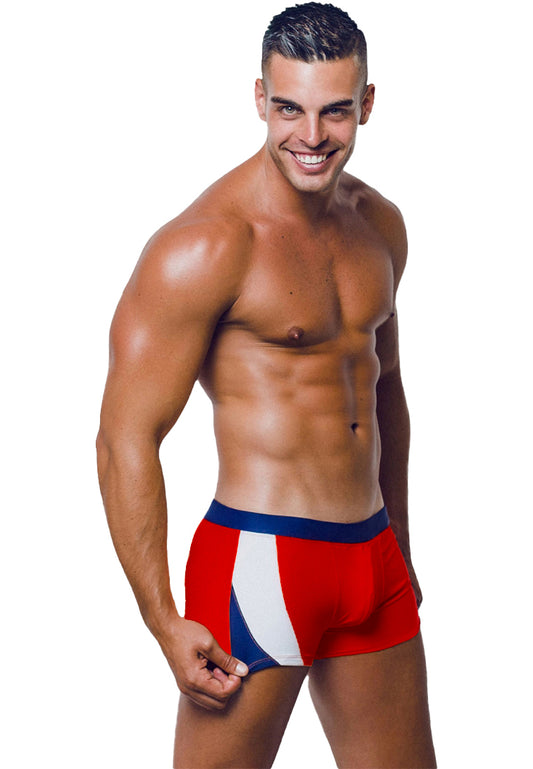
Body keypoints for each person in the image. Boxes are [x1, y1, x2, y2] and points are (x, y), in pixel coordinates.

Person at [97, 3, 436, 767]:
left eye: (333, 111)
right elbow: (124, 437)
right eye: (288, 109)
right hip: (262, 561)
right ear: (259, 98)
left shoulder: (379, 225)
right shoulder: (204, 245)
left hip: (372, 556)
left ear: (366, 104)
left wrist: (401, 541)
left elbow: (384, 390)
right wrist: (161, 617)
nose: (310, 136)